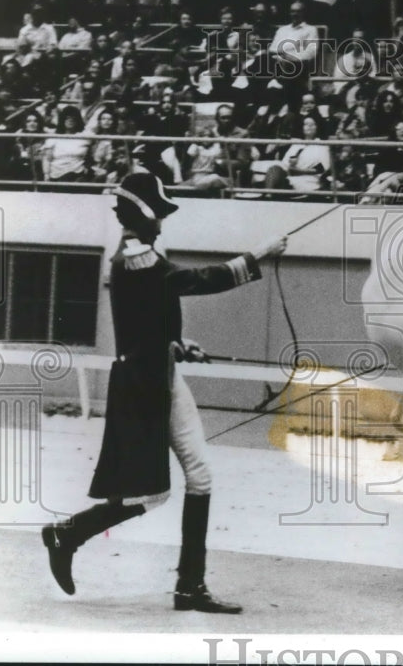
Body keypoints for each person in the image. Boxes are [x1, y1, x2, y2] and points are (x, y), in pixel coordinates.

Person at [41, 172, 287, 613]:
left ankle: (189, 587)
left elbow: (149, 311)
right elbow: (194, 280)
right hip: (145, 386)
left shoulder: (139, 255)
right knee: (150, 496)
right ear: (145, 213)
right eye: (160, 213)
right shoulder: (137, 257)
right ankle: (68, 534)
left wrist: (175, 342)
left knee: (199, 478)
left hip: (160, 375)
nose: (163, 222)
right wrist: (258, 256)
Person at [269, 1, 320, 112]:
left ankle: (288, 108)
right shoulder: (282, 30)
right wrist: (283, 57)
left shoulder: (310, 30)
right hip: (279, 64)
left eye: (298, 11)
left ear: (303, 13)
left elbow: (311, 52)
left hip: (298, 66)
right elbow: (273, 49)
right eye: (292, 11)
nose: (295, 14)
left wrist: (291, 57)